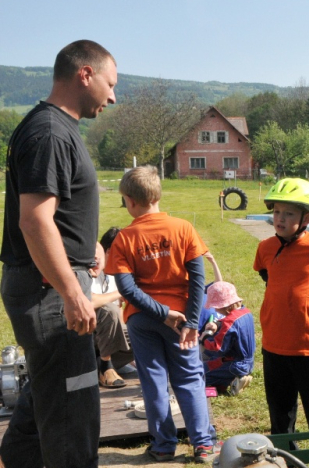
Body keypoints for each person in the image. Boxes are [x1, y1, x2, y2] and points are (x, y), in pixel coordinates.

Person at [0, 40, 116, 468]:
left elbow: (57, 213)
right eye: (110, 83)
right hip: (50, 292)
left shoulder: (56, 128)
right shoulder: (49, 131)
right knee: (73, 412)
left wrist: (89, 244)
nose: (113, 95)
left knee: (51, 391)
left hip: (50, 286)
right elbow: (34, 221)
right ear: (85, 74)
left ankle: (17, 459)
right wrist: (72, 293)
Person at [104, 166, 217, 463]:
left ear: (129, 200)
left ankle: (164, 446)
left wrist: (161, 313)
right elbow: (197, 280)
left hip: (143, 321)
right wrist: (191, 321)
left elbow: (127, 290)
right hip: (182, 319)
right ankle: (204, 445)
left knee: (153, 381)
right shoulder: (183, 228)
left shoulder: (124, 238)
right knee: (190, 379)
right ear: (157, 194)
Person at [253, 178, 309, 445]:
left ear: (308, 218)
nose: (280, 218)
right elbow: (267, 275)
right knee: (280, 415)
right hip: (274, 344)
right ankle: (285, 459)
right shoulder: (265, 248)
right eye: (277, 211)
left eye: (289, 213)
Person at [90, 238, 133, 388]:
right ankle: (105, 367)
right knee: (109, 310)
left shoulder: (113, 276)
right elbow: (91, 302)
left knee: (142, 332)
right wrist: (121, 292)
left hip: (102, 338)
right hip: (83, 334)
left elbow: (120, 318)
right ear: (109, 251)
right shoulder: (85, 271)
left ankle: (99, 365)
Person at [199, 281, 255, 396]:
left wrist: (205, 339)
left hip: (233, 364)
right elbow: (230, 323)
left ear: (223, 306)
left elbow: (218, 348)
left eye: (215, 307)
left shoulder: (229, 323)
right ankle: (232, 379)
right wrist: (217, 324)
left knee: (198, 377)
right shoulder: (246, 312)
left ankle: (234, 380)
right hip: (246, 362)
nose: (214, 310)